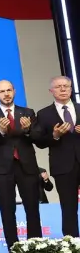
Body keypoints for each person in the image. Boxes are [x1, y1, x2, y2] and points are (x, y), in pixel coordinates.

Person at [0, 79, 41, 249]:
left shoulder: (27, 112)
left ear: (14, 91)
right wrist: (0, 131)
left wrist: (28, 130)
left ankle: (34, 247)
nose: (6, 94)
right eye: (2, 91)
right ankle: (13, 248)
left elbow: (38, 138)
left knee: (32, 208)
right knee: (7, 209)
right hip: (2, 168)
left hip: (26, 165)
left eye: (9, 90)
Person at [32, 76, 80, 237]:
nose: (63, 89)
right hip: (63, 167)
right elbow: (39, 142)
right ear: (51, 91)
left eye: (66, 86)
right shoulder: (44, 114)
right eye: (58, 86)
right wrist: (55, 135)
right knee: (68, 207)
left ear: (71, 89)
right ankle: (73, 243)